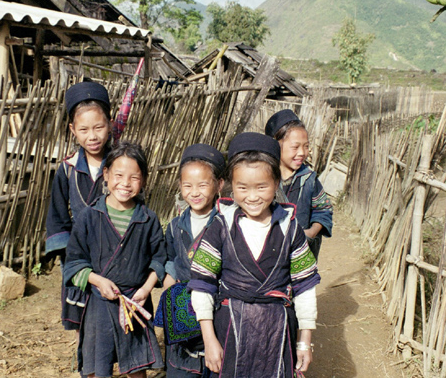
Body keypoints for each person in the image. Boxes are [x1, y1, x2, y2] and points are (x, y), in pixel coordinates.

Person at [188, 132, 320, 378]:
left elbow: (305, 286)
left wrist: (304, 340)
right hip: (230, 330)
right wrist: (209, 339)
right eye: (242, 188)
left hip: (277, 331)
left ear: (276, 184)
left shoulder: (290, 228)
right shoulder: (220, 226)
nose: (252, 196)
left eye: (262, 187)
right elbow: (202, 283)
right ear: (231, 185)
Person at [63, 141, 165, 378]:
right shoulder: (89, 217)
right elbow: (74, 263)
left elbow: (160, 259)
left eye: (134, 177)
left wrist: (147, 287)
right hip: (99, 306)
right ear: (106, 175)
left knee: (136, 367)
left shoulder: (148, 219)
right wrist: (97, 280)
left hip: (135, 303)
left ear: (144, 180)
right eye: (118, 175)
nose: (125, 184)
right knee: (97, 368)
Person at [45, 81, 113, 333]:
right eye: (83, 129)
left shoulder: (121, 165)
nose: (92, 136)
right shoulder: (67, 169)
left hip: (116, 251)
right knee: (82, 314)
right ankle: (85, 362)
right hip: (81, 253)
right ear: (73, 130)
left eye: (98, 127)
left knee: (115, 310)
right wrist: (70, 257)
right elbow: (57, 216)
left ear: (110, 123)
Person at [158, 144, 225, 377]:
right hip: (184, 309)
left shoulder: (226, 223)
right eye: (187, 185)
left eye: (202, 185)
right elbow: (172, 258)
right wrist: (169, 283)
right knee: (182, 367)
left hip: (216, 305)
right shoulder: (176, 225)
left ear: (219, 185)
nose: (194, 192)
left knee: (216, 361)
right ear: (180, 187)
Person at [265, 109, 333, 260]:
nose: (302, 152)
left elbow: (323, 209)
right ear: (276, 145)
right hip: (268, 258)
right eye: (295, 147)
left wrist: (312, 232)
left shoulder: (309, 179)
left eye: (306, 146)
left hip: (302, 257)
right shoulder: (263, 179)